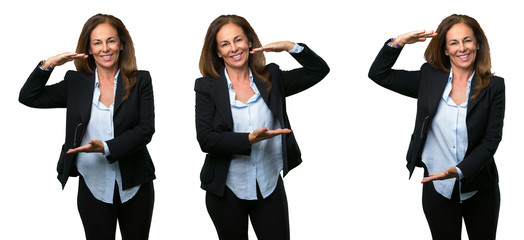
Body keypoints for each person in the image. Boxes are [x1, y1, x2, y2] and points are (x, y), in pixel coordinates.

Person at [19, 13, 155, 240]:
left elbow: (145, 130)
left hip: (135, 183)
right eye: (97, 43)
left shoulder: (140, 80)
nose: (105, 48)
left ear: (121, 44)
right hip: (92, 184)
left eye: (111, 41)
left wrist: (106, 147)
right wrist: (49, 64)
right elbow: (29, 97)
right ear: (89, 49)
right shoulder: (76, 83)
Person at [368, 14, 504, 240]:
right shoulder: (429, 78)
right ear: (445, 49)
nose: (462, 48)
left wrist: (459, 171)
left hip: (480, 187)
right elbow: (378, 74)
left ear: (478, 44)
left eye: (467, 40)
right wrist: (398, 42)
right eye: (454, 42)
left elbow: (491, 140)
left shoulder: (494, 86)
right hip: (436, 188)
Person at [195, 14, 329, 240]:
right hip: (226, 190)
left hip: (268, 186)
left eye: (238, 40)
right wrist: (248, 139)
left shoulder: (272, 77)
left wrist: (290, 47)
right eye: (225, 44)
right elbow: (206, 139)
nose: (233, 48)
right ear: (218, 52)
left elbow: (319, 70)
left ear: (249, 42)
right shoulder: (207, 86)